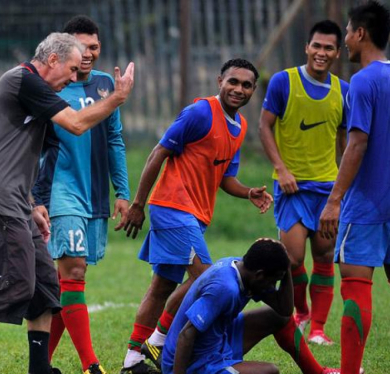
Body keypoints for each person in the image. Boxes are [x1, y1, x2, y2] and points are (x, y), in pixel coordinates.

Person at [0, 32, 134, 374]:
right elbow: (77, 124)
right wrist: (116, 98)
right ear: (52, 61)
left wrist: (33, 203)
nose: (75, 78)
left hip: (16, 200)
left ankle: (39, 369)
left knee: (46, 284)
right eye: (73, 70)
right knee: (16, 285)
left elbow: (22, 155)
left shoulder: (37, 93)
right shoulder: (24, 81)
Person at [119, 59, 273, 374]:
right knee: (208, 277)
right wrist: (137, 203)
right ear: (220, 81)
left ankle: (132, 360)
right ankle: (160, 340)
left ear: (253, 90)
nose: (238, 89)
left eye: (246, 85)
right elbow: (158, 152)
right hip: (173, 207)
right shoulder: (200, 112)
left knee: (162, 286)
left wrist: (248, 193)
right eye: (233, 81)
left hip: (194, 216)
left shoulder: (240, 127)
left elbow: (225, 177)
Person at [31, 16, 130, 374]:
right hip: (60, 190)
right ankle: (92, 366)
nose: (87, 55)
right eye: (81, 48)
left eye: (94, 48)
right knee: (73, 271)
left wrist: (123, 191)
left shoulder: (107, 84)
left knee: (65, 282)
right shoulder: (51, 86)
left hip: (96, 194)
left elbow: (115, 139)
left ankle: (42, 365)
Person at [319, 2, 390, 373]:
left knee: (355, 289)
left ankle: (350, 372)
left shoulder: (362, 81)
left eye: (348, 34)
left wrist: (334, 201)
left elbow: (357, 144)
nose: (345, 45)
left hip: (367, 207)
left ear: (360, 34)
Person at [258, 20, 349, 345]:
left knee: (324, 256)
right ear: (307, 47)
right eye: (316, 46)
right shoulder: (284, 81)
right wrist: (281, 169)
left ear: (337, 52)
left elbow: (346, 144)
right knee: (293, 258)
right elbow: (264, 127)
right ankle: (301, 311)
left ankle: (318, 329)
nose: (321, 53)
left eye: (328, 48)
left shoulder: (343, 91)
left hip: (327, 190)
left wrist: (343, 187)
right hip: (291, 189)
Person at [162, 238, 345, 374]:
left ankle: (317, 372)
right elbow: (186, 334)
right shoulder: (225, 288)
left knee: (277, 318)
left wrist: (286, 266)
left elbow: (284, 309)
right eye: (274, 281)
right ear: (260, 275)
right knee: (269, 371)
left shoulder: (245, 270)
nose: (273, 286)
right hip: (193, 363)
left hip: (218, 342)